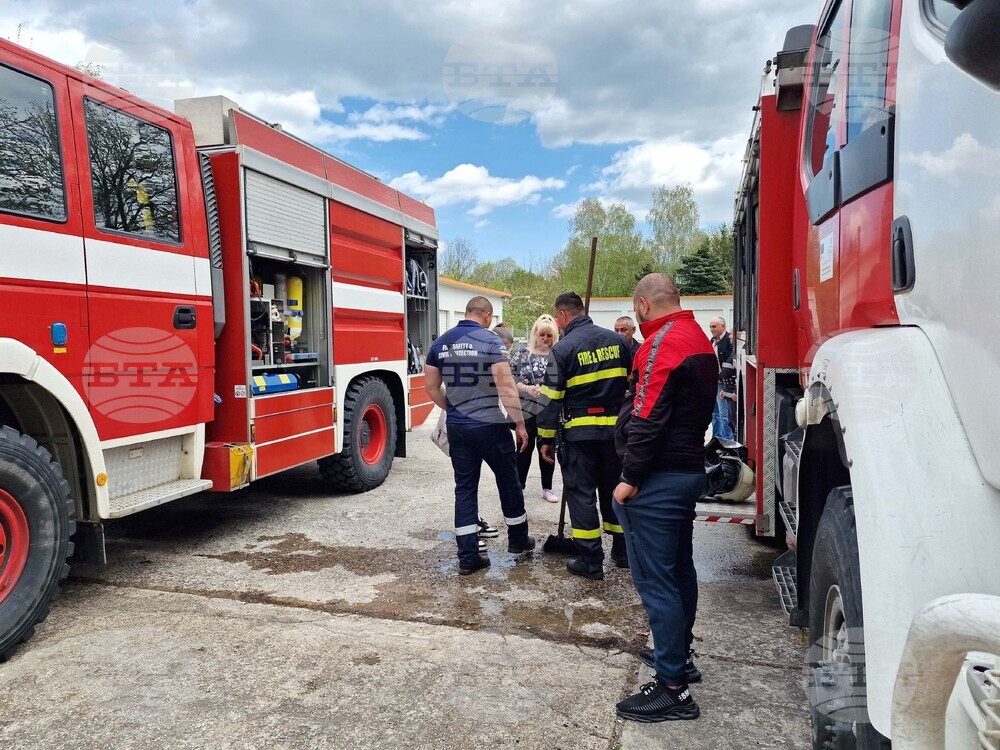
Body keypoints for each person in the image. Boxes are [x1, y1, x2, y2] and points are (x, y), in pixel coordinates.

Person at [611, 273, 717, 722]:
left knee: (657, 583)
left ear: (642, 304)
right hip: (685, 469)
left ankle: (672, 688)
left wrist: (629, 478)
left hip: (658, 479)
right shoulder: (697, 337)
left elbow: (647, 414)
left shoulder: (663, 343)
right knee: (677, 570)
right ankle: (679, 657)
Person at [424, 297, 536, 575]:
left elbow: (431, 388)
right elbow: (506, 387)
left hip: (458, 427)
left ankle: (468, 556)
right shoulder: (491, 341)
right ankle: (518, 540)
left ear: (466, 313)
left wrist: (452, 408)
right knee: (508, 480)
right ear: (487, 315)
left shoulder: (441, 343)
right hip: (490, 426)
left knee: (464, 488)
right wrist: (520, 424)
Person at [538, 292, 632, 579]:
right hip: (615, 434)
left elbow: (551, 398)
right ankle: (623, 552)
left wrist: (545, 438)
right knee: (616, 490)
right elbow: (632, 385)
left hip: (578, 435)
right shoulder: (619, 342)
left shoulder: (563, 349)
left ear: (562, 315)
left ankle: (591, 561)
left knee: (581, 494)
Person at [509, 315, 559, 503]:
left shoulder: (557, 354)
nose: (545, 339)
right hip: (526, 408)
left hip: (549, 409)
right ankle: (519, 485)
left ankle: (547, 487)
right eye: (542, 334)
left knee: (548, 447)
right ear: (535, 333)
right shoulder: (522, 354)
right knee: (524, 447)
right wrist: (526, 388)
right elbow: (510, 378)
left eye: (549, 335)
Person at [708, 317, 733, 440]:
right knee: (714, 413)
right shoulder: (712, 341)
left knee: (724, 414)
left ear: (723, 326)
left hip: (722, 383)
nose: (711, 329)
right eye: (710, 327)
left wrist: (721, 377)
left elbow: (729, 362)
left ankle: (726, 441)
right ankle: (716, 439)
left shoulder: (728, 341)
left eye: (714, 326)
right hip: (712, 383)